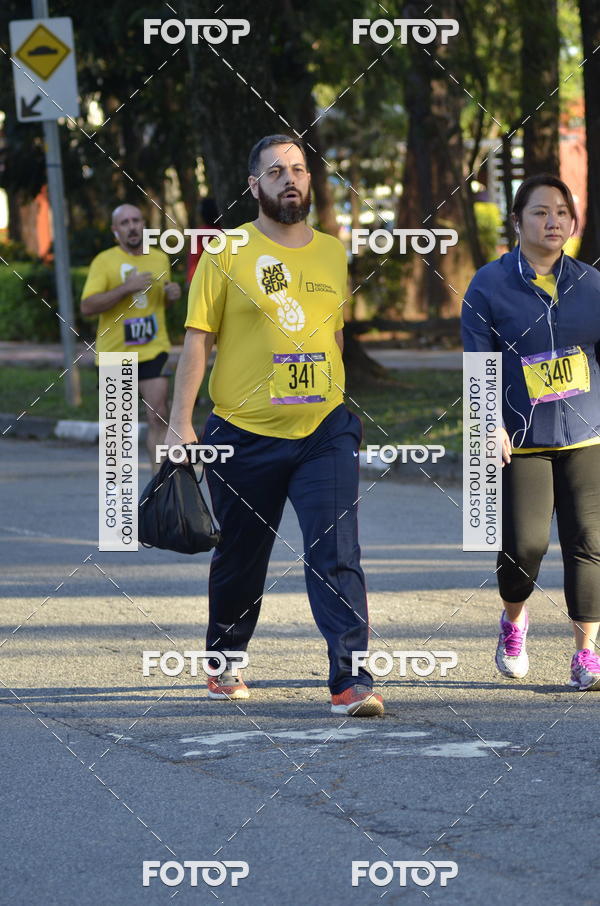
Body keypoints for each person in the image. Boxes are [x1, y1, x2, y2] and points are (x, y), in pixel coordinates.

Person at [163, 134, 383, 717]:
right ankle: (226, 657)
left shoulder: (333, 253)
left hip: (324, 430)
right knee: (242, 556)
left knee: (336, 549)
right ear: (253, 185)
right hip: (240, 433)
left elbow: (333, 336)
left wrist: (337, 398)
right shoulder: (226, 250)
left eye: (299, 169)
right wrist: (181, 423)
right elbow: (197, 342)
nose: (290, 179)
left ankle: (350, 679)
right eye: (276, 171)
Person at [462, 173, 600, 690]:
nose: (554, 221)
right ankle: (514, 619)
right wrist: (488, 423)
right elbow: (479, 363)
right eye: (541, 212)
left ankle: (586, 652)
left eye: (562, 212)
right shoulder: (489, 284)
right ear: (517, 221)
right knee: (525, 545)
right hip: (522, 439)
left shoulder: (591, 284)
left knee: (588, 542)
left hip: (588, 433)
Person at [81, 204, 181, 469]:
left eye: (136, 220)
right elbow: (88, 306)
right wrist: (126, 288)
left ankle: (158, 488)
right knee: (118, 430)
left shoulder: (159, 258)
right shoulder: (104, 261)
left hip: (152, 348)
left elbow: (157, 302)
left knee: (159, 415)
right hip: (115, 353)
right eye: (124, 223)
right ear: (115, 230)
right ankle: (119, 493)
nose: (132, 226)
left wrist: (171, 296)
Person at [186, 197, 222, 286]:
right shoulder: (225, 232)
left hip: (204, 282)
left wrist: (190, 281)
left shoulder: (199, 234)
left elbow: (193, 261)